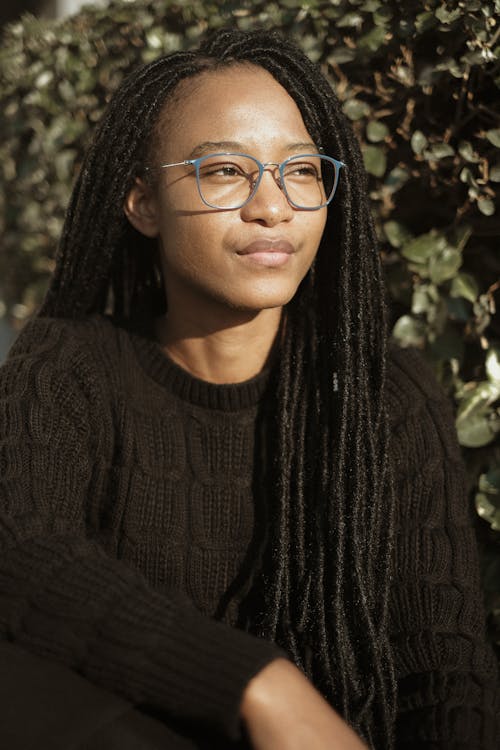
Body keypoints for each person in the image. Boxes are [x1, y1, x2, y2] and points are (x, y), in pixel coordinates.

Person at [0, 27, 498, 750]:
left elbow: (446, 678)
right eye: (226, 171)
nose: (274, 208)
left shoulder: (382, 399)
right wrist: (259, 684)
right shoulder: (70, 368)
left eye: (302, 171)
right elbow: (18, 548)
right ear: (142, 202)